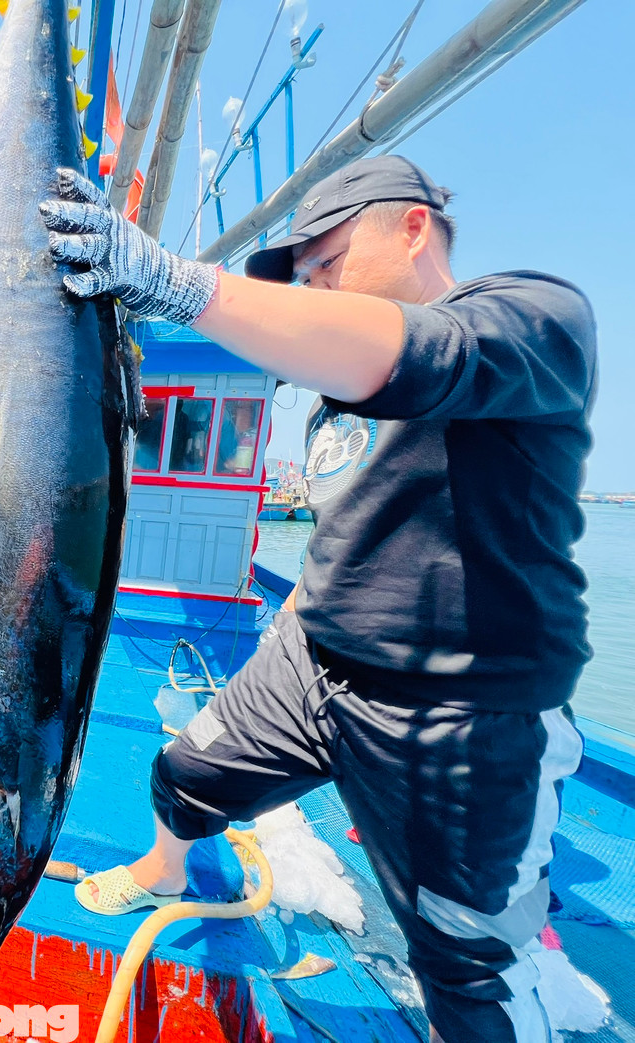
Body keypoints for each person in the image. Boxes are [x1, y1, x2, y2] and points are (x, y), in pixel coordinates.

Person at [42, 155, 597, 1043]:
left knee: (468, 966)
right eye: (305, 279)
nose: (316, 286)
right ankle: (165, 869)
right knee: (183, 772)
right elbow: (350, 530)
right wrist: (292, 621)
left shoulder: (533, 317)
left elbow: (417, 355)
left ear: (412, 226)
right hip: (313, 663)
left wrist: (178, 285)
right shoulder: (334, 400)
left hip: (462, 710)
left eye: (328, 262)